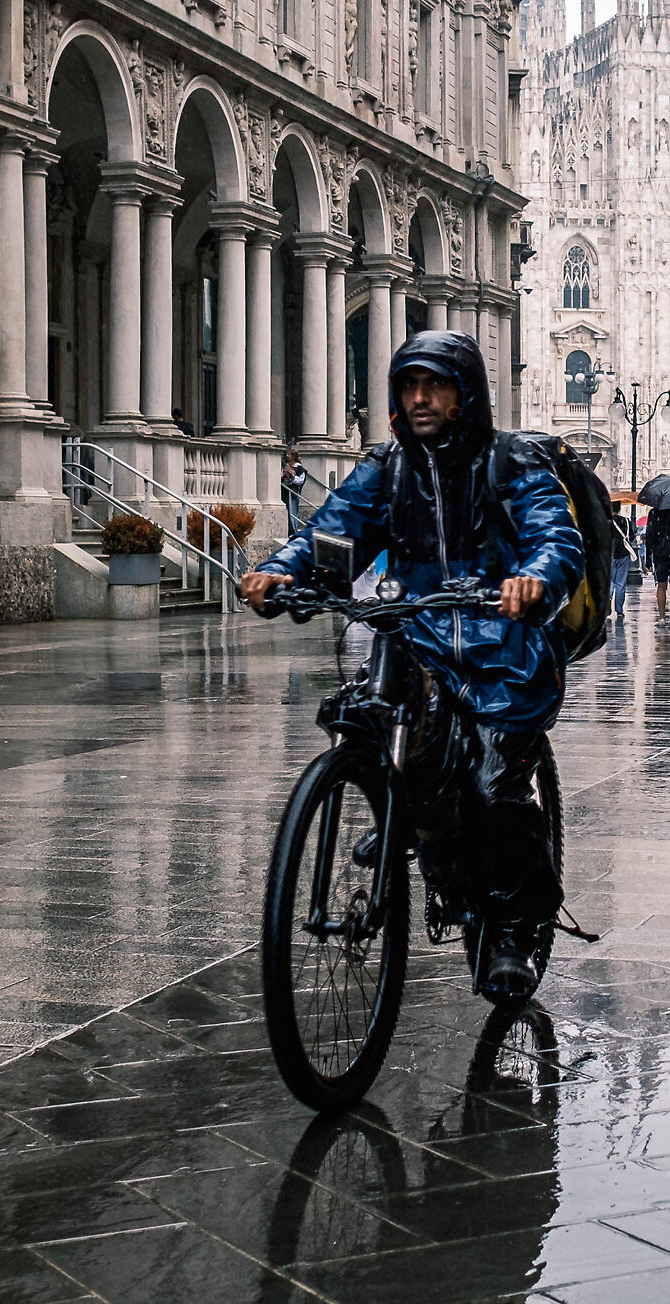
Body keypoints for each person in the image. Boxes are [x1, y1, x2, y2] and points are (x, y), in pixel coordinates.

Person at [240, 331, 581, 1002]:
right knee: (367, 717)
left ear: (465, 395)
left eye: (436, 386)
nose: (420, 399)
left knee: (492, 788)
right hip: (421, 638)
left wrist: (535, 579)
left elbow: (555, 535)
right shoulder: (389, 468)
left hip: (503, 653)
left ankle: (517, 921)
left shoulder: (511, 462)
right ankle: (408, 817)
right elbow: (333, 529)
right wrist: (281, 572)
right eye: (409, 386)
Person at [608, 504, 634, 623]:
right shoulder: (626, 521)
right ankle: (619, 610)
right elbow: (631, 537)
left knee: (610, 582)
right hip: (623, 554)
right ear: (619, 508)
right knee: (620, 583)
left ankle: (607, 607)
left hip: (609, 555)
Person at [280, 449, 312, 528]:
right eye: (287, 454)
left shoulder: (300, 469)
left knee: (292, 511)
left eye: (289, 454)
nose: (287, 456)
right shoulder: (285, 466)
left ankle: (293, 530)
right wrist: (284, 475)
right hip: (283, 492)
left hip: (293, 493)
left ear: (294, 456)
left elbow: (300, 481)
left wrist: (292, 476)